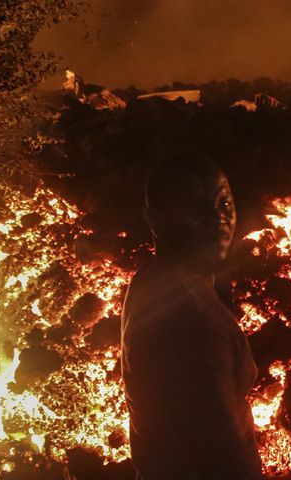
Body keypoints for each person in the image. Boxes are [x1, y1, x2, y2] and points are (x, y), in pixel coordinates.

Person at [121, 153, 262, 479]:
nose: (218, 219)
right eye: (197, 209)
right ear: (156, 220)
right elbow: (221, 451)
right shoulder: (188, 318)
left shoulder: (154, 280)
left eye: (224, 204)